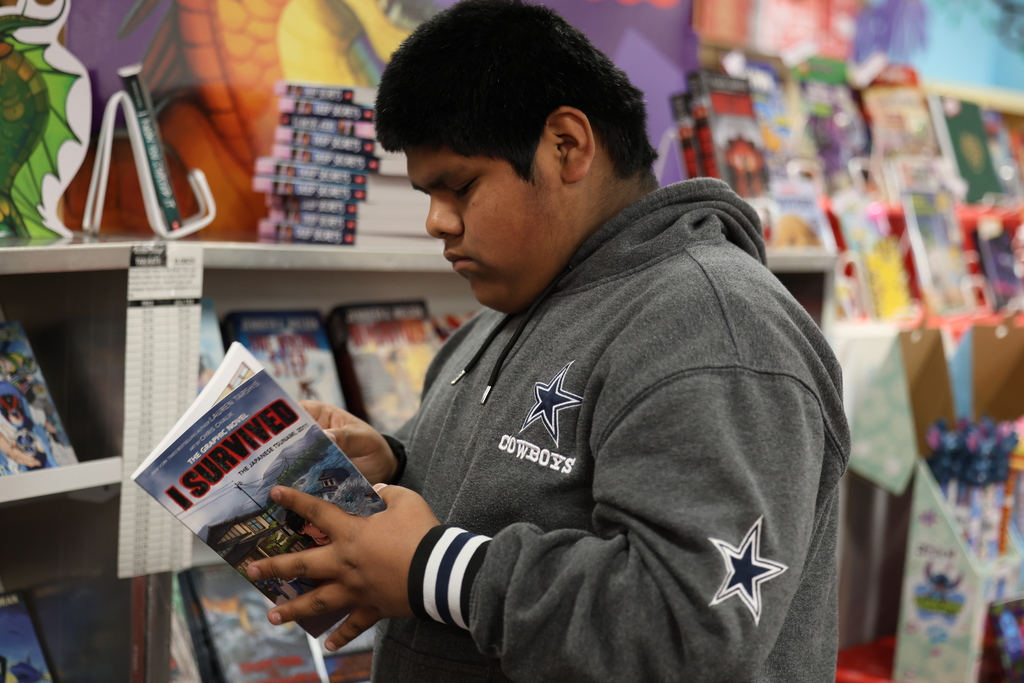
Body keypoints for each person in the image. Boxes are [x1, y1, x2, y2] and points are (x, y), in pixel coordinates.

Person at [245, 1, 850, 680]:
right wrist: (389, 464)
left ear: (566, 145)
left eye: (460, 186)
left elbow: (688, 626)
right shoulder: (499, 314)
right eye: (425, 192)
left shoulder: (719, 326)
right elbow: (513, 500)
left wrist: (428, 567)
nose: (436, 221)